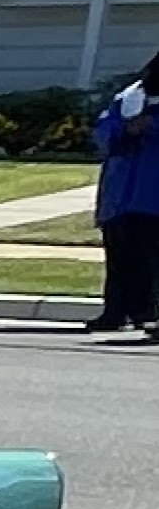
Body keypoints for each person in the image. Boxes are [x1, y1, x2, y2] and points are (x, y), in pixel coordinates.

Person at [91, 53, 159, 337]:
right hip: (120, 195)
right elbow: (102, 131)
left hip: (152, 194)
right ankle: (117, 312)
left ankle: (150, 313)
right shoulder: (128, 97)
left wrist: (151, 127)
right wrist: (126, 129)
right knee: (120, 259)